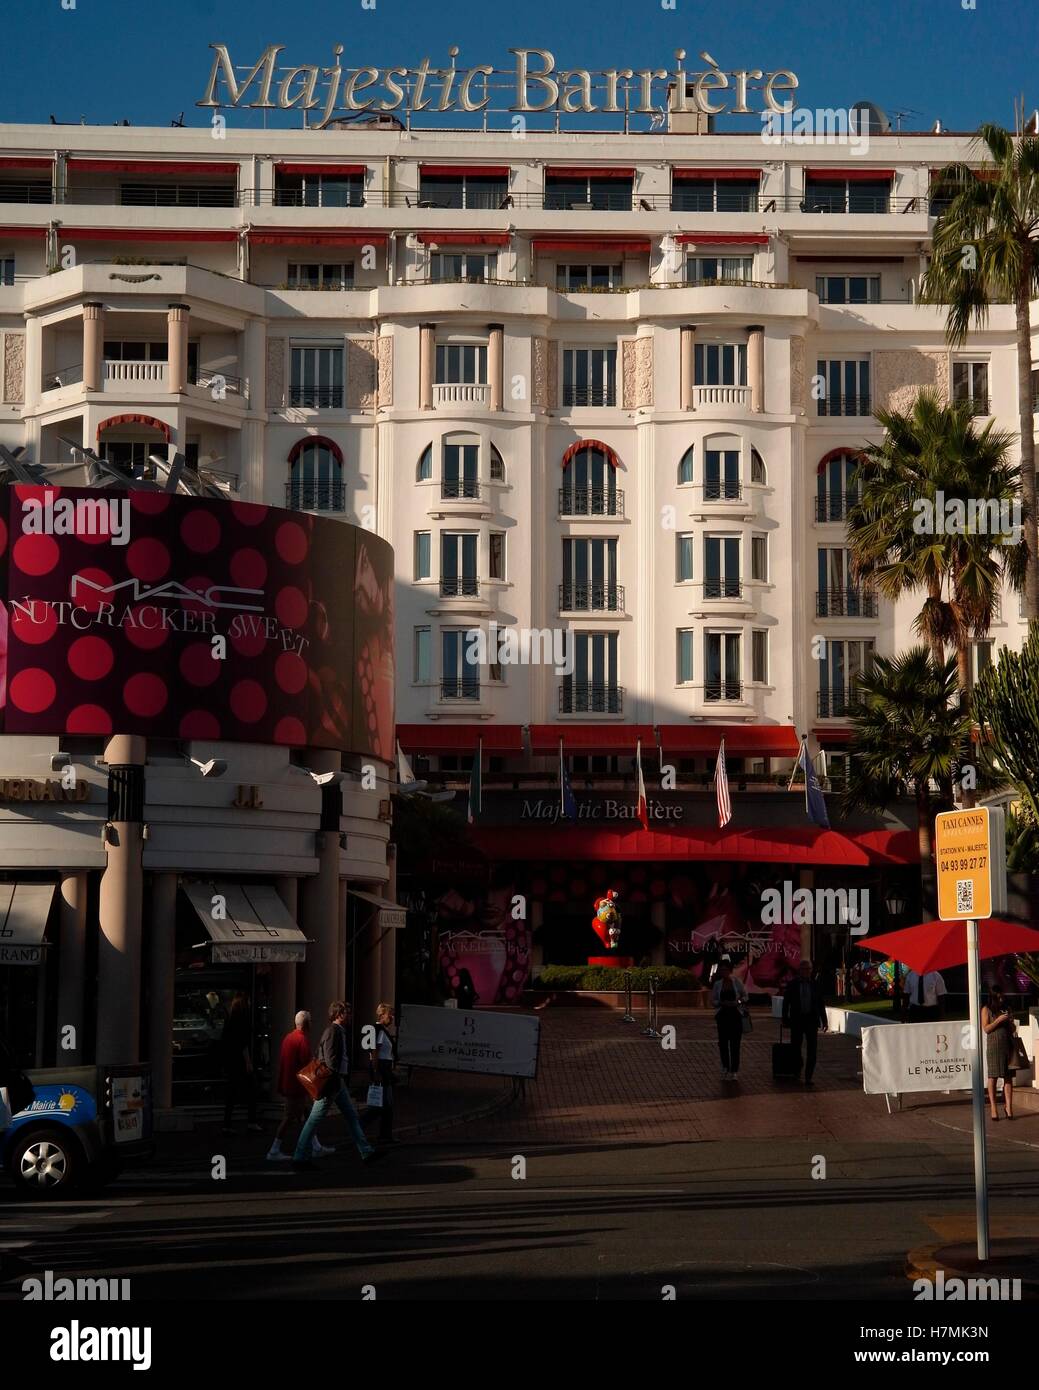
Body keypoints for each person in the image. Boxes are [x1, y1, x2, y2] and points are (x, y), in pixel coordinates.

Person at [292, 1001, 385, 1170]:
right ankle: (299, 1157)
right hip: (330, 1084)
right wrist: (336, 1077)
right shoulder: (333, 1032)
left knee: (351, 1117)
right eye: (346, 1013)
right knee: (313, 1120)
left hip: (337, 1083)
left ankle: (366, 1151)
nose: (349, 1016)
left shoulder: (339, 1031)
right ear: (338, 1014)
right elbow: (330, 1061)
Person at [266, 1011, 335, 1162]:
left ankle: (316, 1146)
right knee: (290, 1118)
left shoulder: (288, 1037)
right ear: (305, 1023)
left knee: (306, 1115)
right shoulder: (302, 1039)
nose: (312, 1023)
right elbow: (307, 1063)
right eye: (310, 1021)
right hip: (297, 1086)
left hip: (290, 1083)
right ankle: (274, 1150)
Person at [782, 959, 828, 1086]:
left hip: (811, 1021)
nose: (806, 972)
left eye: (808, 969)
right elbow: (786, 1003)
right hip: (797, 1020)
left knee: (812, 1050)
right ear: (799, 970)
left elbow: (821, 1004)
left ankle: (809, 1077)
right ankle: (798, 1069)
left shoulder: (816, 984)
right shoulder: (792, 984)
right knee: (796, 1048)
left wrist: (824, 1021)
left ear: (811, 970)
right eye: (803, 969)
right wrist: (784, 1019)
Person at [221, 991, 261, 1134]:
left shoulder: (230, 1019)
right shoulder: (242, 1020)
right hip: (240, 1062)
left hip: (231, 1061)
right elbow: (243, 1043)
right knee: (251, 1090)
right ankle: (251, 1121)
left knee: (231, 1093)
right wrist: (248, 1062)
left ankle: (227, 1124)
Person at [982, 986, 1017, 1121]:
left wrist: (1010, 1022)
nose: (1002, 999)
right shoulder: (986, 1009)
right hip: (994, 1046)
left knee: (1008, 1077)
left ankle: (1008, 1107)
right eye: (999, 997)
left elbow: (1013, 1029)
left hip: (1007, 1044)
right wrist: (998, 1020)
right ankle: (993, 1108)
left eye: (1003, 996)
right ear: (993, 997)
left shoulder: (1006, 1008)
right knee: (993, 1076)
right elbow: (986, 1029)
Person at [711, 959, 748, 1081]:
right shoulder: (717, 984)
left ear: (730, 970)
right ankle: (725, 1067)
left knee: (735, 1044)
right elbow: (713, 1000)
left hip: (735, 1015)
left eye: (725, 970)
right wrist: (720, 1002)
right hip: (722, 1015)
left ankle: (734, 1070)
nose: (724, 972)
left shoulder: (736, 982)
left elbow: (745, 996)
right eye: (721, 970)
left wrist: (736, 1002)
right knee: (723, 1043)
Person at [367, 1003, 396, 1144]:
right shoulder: (379, 1030)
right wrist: (376, 1072)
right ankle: (360, 1129)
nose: (392, 1017)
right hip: (382, 1069)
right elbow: (374, 1052)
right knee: (381, 1104)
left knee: (385, 1104)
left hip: (386, 1068)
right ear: (381, 1015)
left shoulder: (383, 1031)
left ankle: (386, 1135)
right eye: (389, 1014)